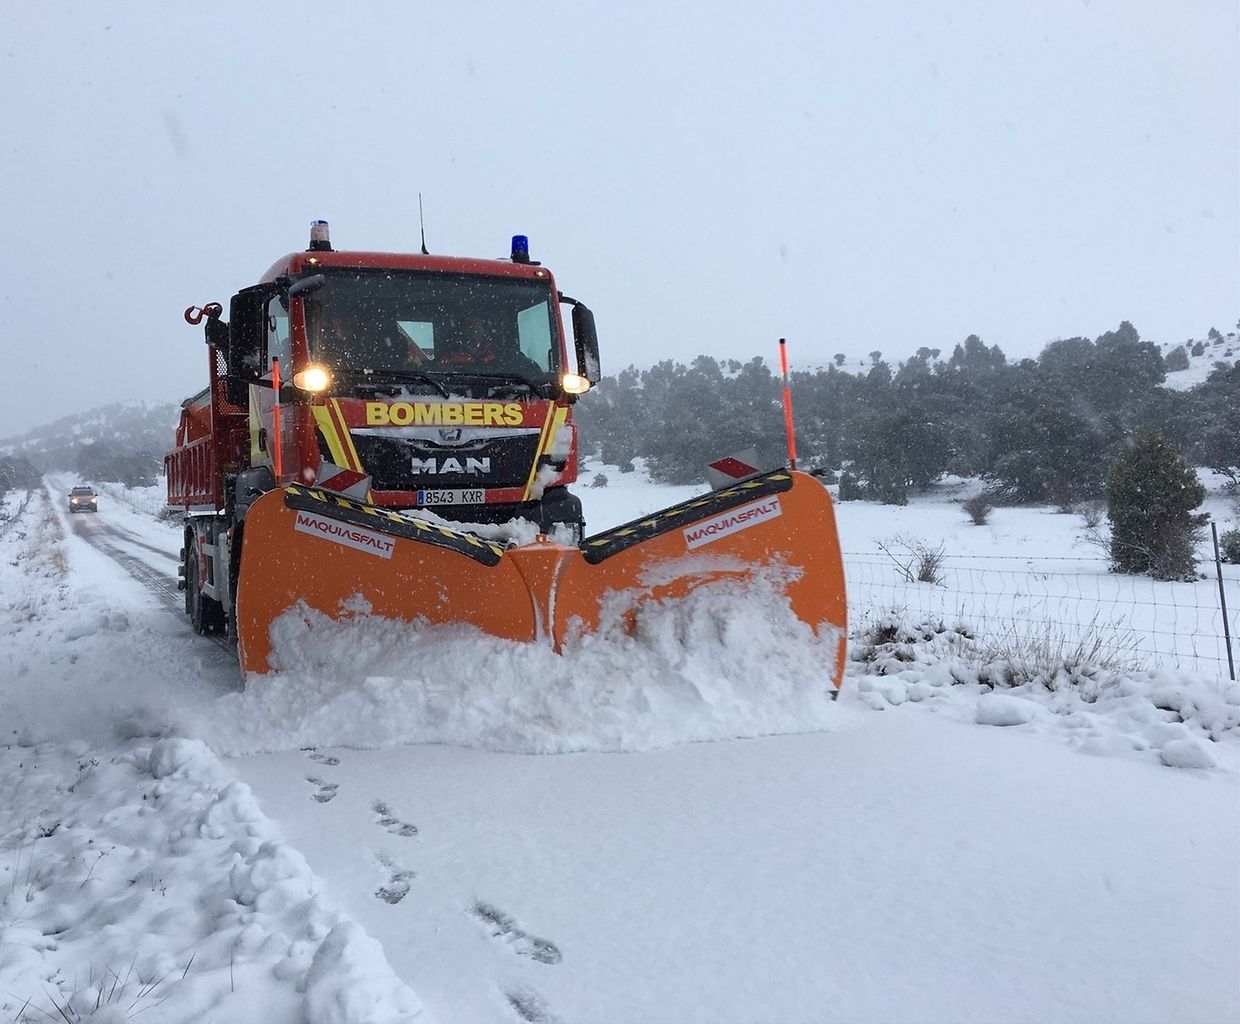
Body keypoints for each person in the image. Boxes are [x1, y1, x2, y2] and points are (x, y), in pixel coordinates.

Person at [438, 317, 542, 377]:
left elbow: (532, 373)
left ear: (484, 331)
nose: (472, 332)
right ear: (461, 332)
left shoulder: (505, 356)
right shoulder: (448, 356)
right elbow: (435, 380)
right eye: (468, 327)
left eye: (477, 327)